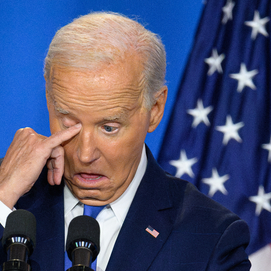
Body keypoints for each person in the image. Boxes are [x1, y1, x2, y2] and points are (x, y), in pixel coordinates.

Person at [0, 12, 251, 271]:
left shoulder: (211, 238)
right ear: (49, 100)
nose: (85, 155)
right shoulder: (9, 196)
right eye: (68, 124)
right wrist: (3, 196)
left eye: (109, 128)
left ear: (154, 109)